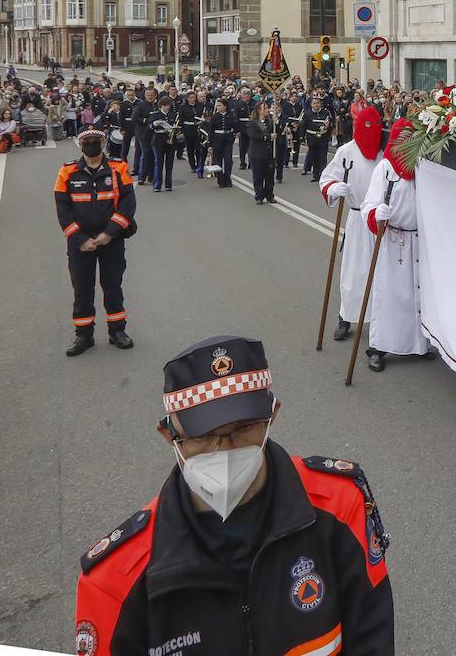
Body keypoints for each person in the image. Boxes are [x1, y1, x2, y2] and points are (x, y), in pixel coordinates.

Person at [72, 336, 395, 655]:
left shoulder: (339, 505)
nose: (225, 450)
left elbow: (372, 636)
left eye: (244, 428)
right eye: (204, 436)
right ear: (169, 435)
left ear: (272, 415)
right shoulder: (115, 578)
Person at [55, 127, 136, 356]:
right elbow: (62, 208)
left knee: (112, 286)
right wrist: (80, 240)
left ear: (103, 143)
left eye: (96, 140)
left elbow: (128, 203)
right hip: (80, 244)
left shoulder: (118, 167)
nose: (92, 144)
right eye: (87, 141)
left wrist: (110, 232)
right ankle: (84, 335)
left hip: (111, 240)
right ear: (81, 145)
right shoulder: (67, 171)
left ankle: (117, 331)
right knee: (82, 289)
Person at [360, 118, 431, 370]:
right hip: (393, 240)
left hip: (419, 240)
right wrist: (375, 213)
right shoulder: (385, 169)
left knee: (417, 295)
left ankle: (418, 345)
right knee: (388, 294)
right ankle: (379, 346)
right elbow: (369, 204)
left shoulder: (424, 167)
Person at [319, 105, 383, 341]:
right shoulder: (346, 152)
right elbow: (327, 178)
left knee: (381, 273)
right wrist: (334, 187)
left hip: (379, 220)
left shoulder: (384, 153)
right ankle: (346, 317)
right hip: (358, 219)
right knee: (353, 272)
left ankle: (381, 319)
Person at [247, 102, 279, 205]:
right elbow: (253, 136)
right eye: (265, 108)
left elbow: (278, 132)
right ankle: (259, 196)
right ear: (258, 110)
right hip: (257, 153)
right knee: (258, 176)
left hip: (269, 153)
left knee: (270, 175)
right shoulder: (252, 123)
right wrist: (268, 137)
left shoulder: (270, 122)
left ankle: (269, 195)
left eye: (267, 107)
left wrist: (277, 122)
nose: (267, 109)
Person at [148, 95, 179, 193]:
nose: (167, 107)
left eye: (168, 105)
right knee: (158, 163)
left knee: (169, 164)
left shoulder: (173, 115)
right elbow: (150, 126)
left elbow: (176, 126)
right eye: (164, 105)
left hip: (171, 140)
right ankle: (157, 185)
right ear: (160, 106)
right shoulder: (155, 115)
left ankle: (168, 185)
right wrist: (155, 124)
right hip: (158, 140)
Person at [304, 94, 335, 182]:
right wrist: (302, 138)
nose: (316, 105)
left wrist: (328, 129)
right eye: (314, 103)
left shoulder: (326, 113)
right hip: (312, 138)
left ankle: (323, 173)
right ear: (311, 104)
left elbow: (330, 124)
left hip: (323, 138)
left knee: (322, 157)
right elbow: (304, 126)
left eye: (318, 103)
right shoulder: (308, 113)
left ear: (320, 104)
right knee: (314, 157)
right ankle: (315, 174)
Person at [205, 98, 235, 187]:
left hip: (228, 139)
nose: (218, 107)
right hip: (217, 140)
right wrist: (210, 144)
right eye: (217, 105)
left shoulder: (230, 115)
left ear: (225, 106)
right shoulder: (214, 117)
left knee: (228, 160)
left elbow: (235, 126)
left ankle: (227, 178)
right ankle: (220, 179)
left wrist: (233, 134)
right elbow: (211, 131)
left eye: (220, 105)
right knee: (217, 161)